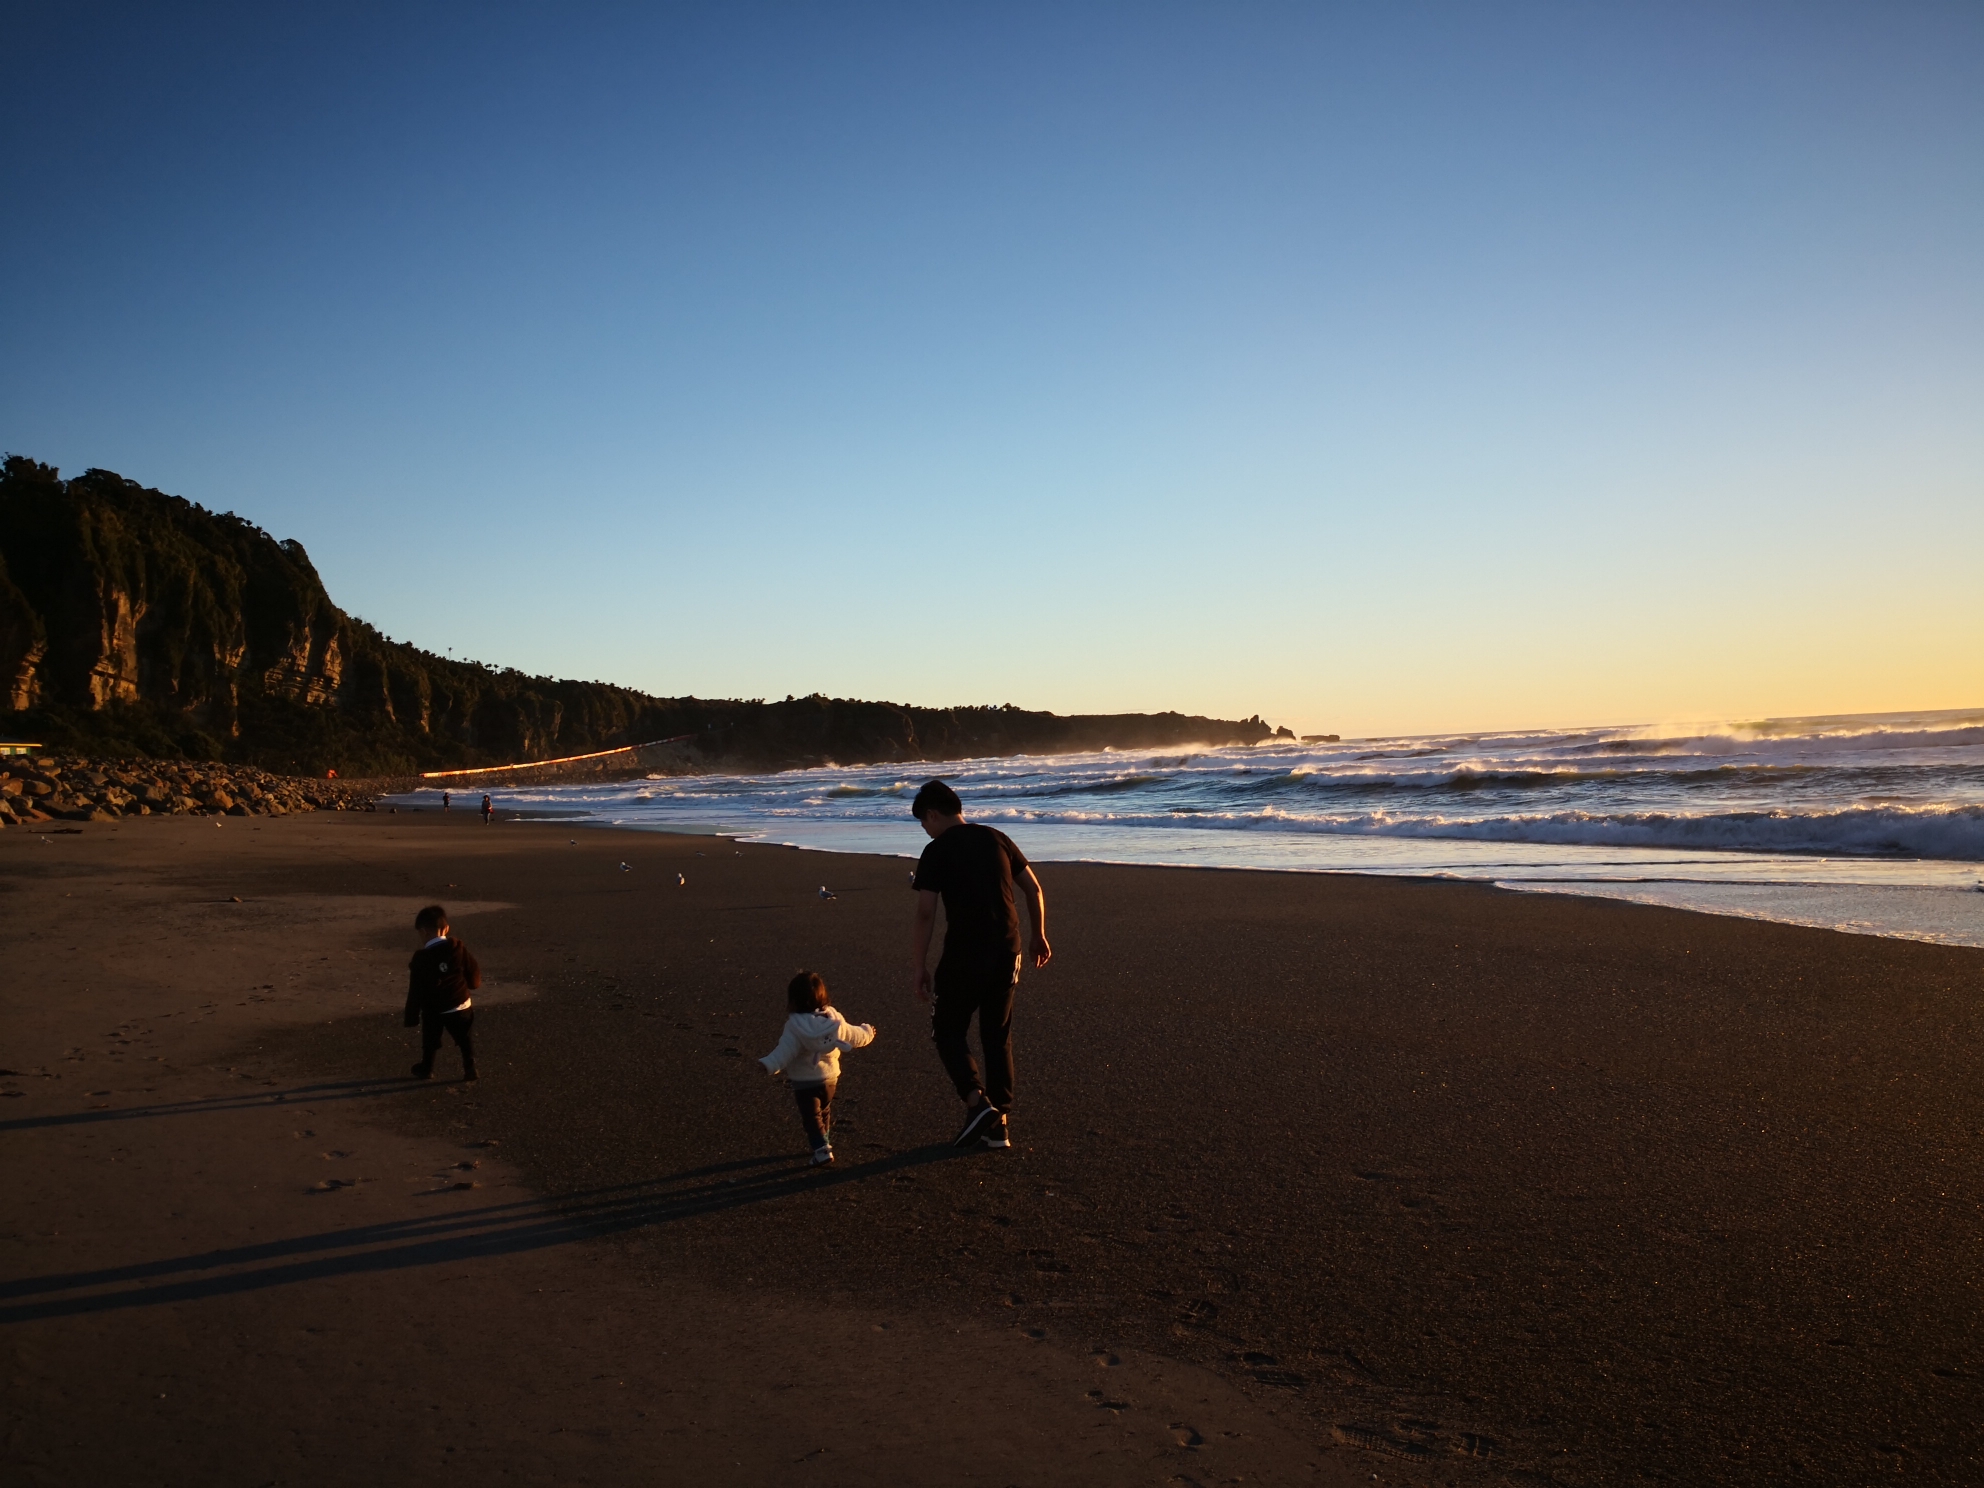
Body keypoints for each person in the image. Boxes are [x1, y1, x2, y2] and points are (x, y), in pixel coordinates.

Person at [909, 779, 1051, 1150]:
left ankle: (977, 1103)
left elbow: (926, 914)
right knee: (996, 1034)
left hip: (965, 952)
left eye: (924, 822)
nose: (925, 829)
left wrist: (919, 965)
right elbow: (1033, 888)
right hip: (1008, 948)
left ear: (933, 814)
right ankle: (998, 1124)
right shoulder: (995, 837)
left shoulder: (936, 850)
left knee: (946, 1028)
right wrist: (1039, 935)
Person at [758, 970, 876, 1166]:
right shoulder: (834, 1020)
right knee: (824, 1111)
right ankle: (823, 1142)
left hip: (805, 1083)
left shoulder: (795, 1027)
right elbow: (855, 1035)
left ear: (793, 1001)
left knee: (811, 1117)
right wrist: (868, 1032)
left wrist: (768, 1064)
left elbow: (784, 1051)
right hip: (830, 1079)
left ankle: (821, 1149)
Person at [404, 904, 480, 1081]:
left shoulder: (421, 959)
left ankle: (427, 1067)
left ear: (423, 931)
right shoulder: (458, 948)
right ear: (446, 928)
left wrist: (411, 1016)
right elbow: (473, 970)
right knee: (465, 1039)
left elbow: (415, 990)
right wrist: (472, 984)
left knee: (430, 1040)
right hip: (460, 1003)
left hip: (435, 1009)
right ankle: (470, 1067)